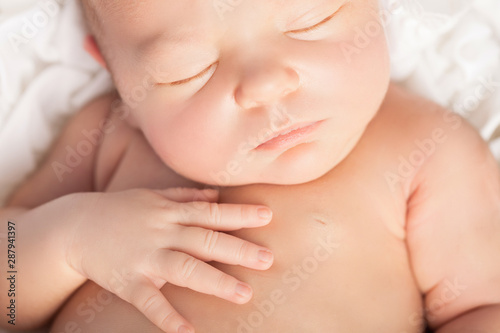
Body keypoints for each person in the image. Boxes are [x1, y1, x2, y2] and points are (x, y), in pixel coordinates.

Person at [3, 0, 500, 332]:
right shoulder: (107, 138)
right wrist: (72, 239)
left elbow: (483, 308)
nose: (265, 86)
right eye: (189, 70)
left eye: (310, 20)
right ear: (116, 73)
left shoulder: (424, 147)